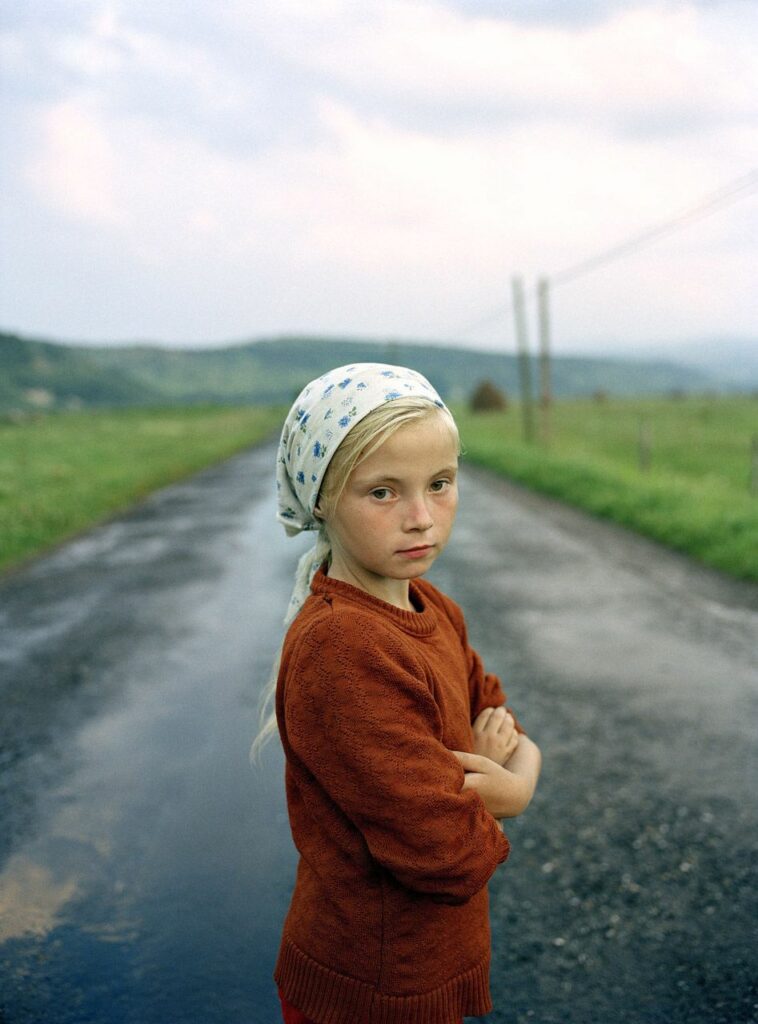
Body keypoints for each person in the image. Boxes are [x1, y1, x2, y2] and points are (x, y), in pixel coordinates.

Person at [251, 362, 541, 1024]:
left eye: (440, 484)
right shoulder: (341, 649)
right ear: (322, 498)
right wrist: (511, 787)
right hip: (370, 987)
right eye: (383, 493)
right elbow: (444, 849)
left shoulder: (429, 605)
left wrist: (499, 774)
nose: (421, 518)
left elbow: (501, 718)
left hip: (423, 963)